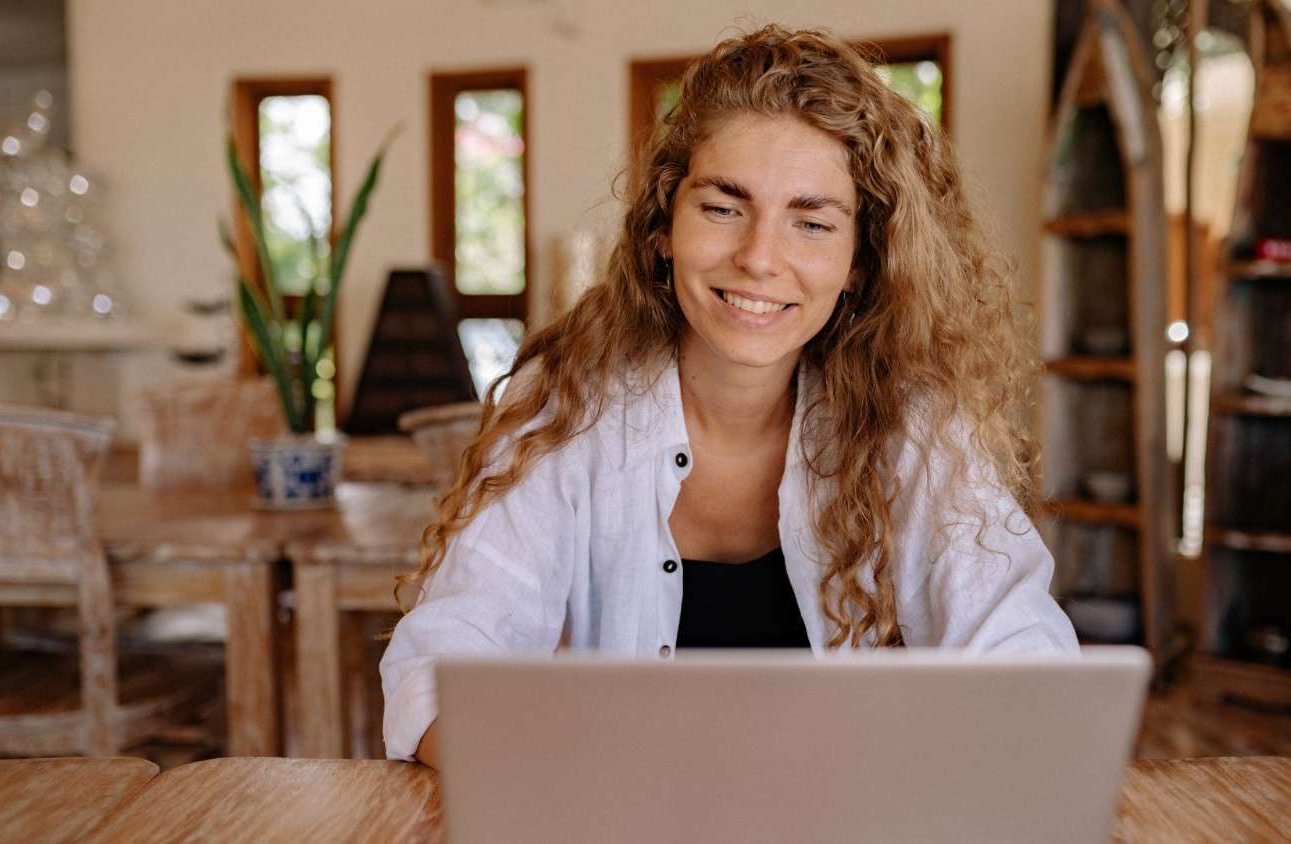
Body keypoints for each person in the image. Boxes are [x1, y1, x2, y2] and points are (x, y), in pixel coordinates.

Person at [381, 24, 1078, 768]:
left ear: (858, 263)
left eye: (811, 222)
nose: (758, 258)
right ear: (662, 226)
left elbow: (1022, 654)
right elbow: (442, 663)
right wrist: (552, 786)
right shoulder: (565, 403)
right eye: (722, 207)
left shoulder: (911, 422)